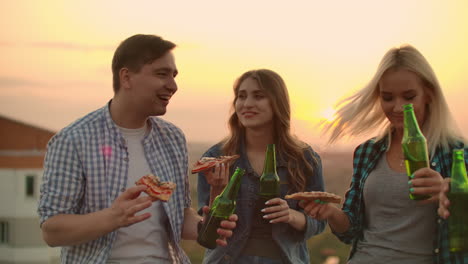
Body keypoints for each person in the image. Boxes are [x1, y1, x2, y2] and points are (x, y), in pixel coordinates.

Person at [37, 34, 237, 264]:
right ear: (126, 77)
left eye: (174, 75)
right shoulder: (73, 140)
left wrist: (208, 224)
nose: (173, 86)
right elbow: (51, 231)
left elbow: (179, 217)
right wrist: (112, 218)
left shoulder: (172, 138)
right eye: (161, 74)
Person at [301, 44, 468, 264]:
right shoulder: (368, 152)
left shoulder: (454, 152)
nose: (398, 107)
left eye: (409, 96)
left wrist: (450, 194)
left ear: (428, 94)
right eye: (388, 98)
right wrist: (331, 213)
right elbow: (350, 231)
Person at [196, 69, 326, 264]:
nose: (247, 104)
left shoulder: (304, 159)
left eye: (258, 96)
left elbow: (320, 221)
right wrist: (218, 190)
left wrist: (291, 215)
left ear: (277, 103)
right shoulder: (216, 158)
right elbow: (207, 230)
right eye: (241, 96)